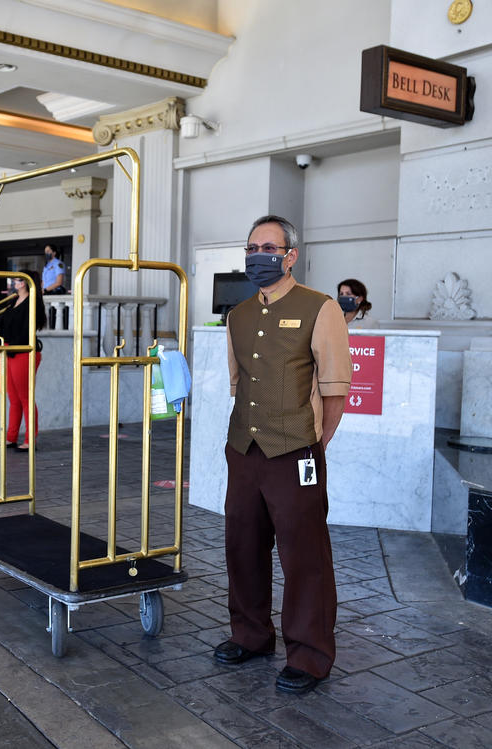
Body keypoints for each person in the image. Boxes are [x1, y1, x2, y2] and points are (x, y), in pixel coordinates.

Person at [214, 215, 352, 695]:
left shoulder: (321, 307)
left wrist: (316, 441)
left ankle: (309, 656)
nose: (257, 256)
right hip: (244, 450)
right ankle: (250, 636)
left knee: (304, 556)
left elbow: (335, 389)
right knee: (242, 548)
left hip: (296, 452)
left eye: (268, 247)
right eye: (251, 247)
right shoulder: (239, 314)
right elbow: (238, 385)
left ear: (290, 255)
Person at [0, 271, 47, 451]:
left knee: (25, 398)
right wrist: (0, 345)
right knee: (13, 398)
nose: (13, 282)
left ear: (24, 282)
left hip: (23, 352)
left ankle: (30, 441)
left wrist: (11, 347)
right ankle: (11, 438)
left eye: (16, 279)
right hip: (8, 350)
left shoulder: (33, 302)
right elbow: (4, 325)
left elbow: (26, 330)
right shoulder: (13, 301)